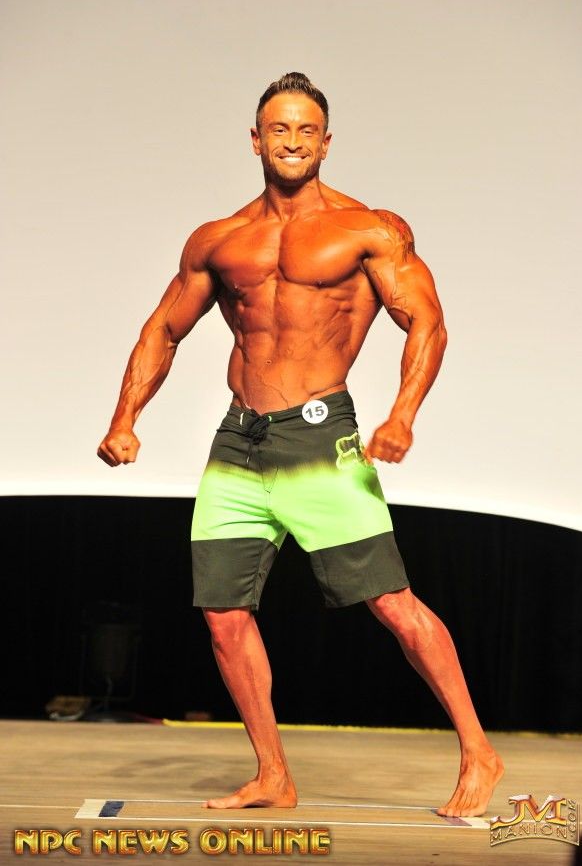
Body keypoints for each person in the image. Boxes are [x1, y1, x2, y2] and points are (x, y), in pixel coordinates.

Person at [97, 72, 503, 816]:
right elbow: (163, 328)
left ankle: (479, 750)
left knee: (392, 603)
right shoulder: (218, 240)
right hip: (237, 441)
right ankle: (273, 775)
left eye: (306, 130)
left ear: (325, 141)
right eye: (279, 129)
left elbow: (428, 322)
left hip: (319, 437)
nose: (292, 141)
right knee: (223, 614)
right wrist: (126, 417)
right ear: (256, 140)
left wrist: (402, 415)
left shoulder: (369, 229)